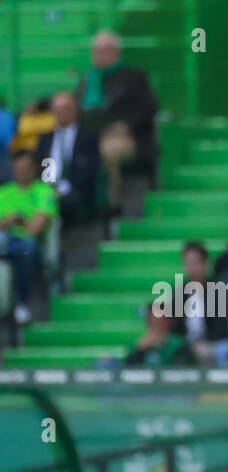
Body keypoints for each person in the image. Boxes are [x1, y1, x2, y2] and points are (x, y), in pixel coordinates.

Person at [76, 31, 158, 209]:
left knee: (107, 150)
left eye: (104, 51)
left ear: (116, 52)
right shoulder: (87, 81)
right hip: (92, 134)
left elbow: (149, 107)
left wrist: (126, 126)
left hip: (124, 136)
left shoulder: (133, 76)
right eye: (96, 51)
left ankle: (112, 203)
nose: (99, 56)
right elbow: (76, 109)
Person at [0, 150, 57, 326]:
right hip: (3, 241)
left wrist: (15, 221)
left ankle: (21, 303)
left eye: (27, 168)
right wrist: (12, 222)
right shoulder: (4, 192)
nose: (23, 171)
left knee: (24, 249)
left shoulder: (43, 191)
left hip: (30, 244)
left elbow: (35, 228)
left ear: (33, 169)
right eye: (19, 168)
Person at [36, 92, 101, 222]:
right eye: (57, 110)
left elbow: (90, 168)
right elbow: (39, 165)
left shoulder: (89, 137)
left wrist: (63, 189)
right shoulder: (45, 138)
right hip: (46, 190)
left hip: (75, 189)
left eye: (65, 109)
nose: (61, 113)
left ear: (75, 110)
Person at [125, 300, 198, 367]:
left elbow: (181, 372)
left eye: (160, 321)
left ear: (169, 321)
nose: (155, 323)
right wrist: (139, 350)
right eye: (152, 321)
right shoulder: (140, 347)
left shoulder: (180, 346)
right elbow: (127, 370)